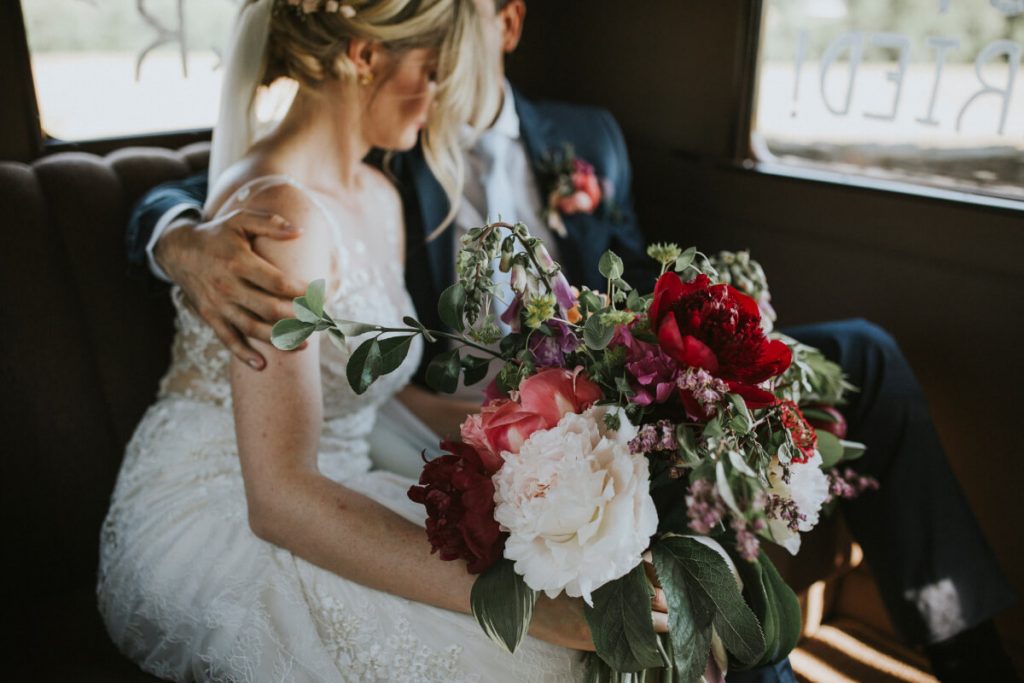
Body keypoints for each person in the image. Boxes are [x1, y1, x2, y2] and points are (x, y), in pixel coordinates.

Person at [125, 2, 1017, 682]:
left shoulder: (559, 145)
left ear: (508, 26)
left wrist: (641, 399)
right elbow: (227, 202)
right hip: (319, 460)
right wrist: (178, 242)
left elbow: (634, 282)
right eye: (435, 57)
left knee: (850, 362)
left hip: (586, 388)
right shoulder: (336, 183)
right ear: (367, 52)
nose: (446, 77)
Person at [100, 1, 680, 681]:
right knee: (545, 650)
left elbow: (381, 394)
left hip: (342, 480)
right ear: (364, 55)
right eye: (432, 71)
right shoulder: (276, 219)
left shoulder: (378, 194)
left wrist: (554, 431)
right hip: (227, 507)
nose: (441, 100)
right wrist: (525, 604)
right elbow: (281, 497)